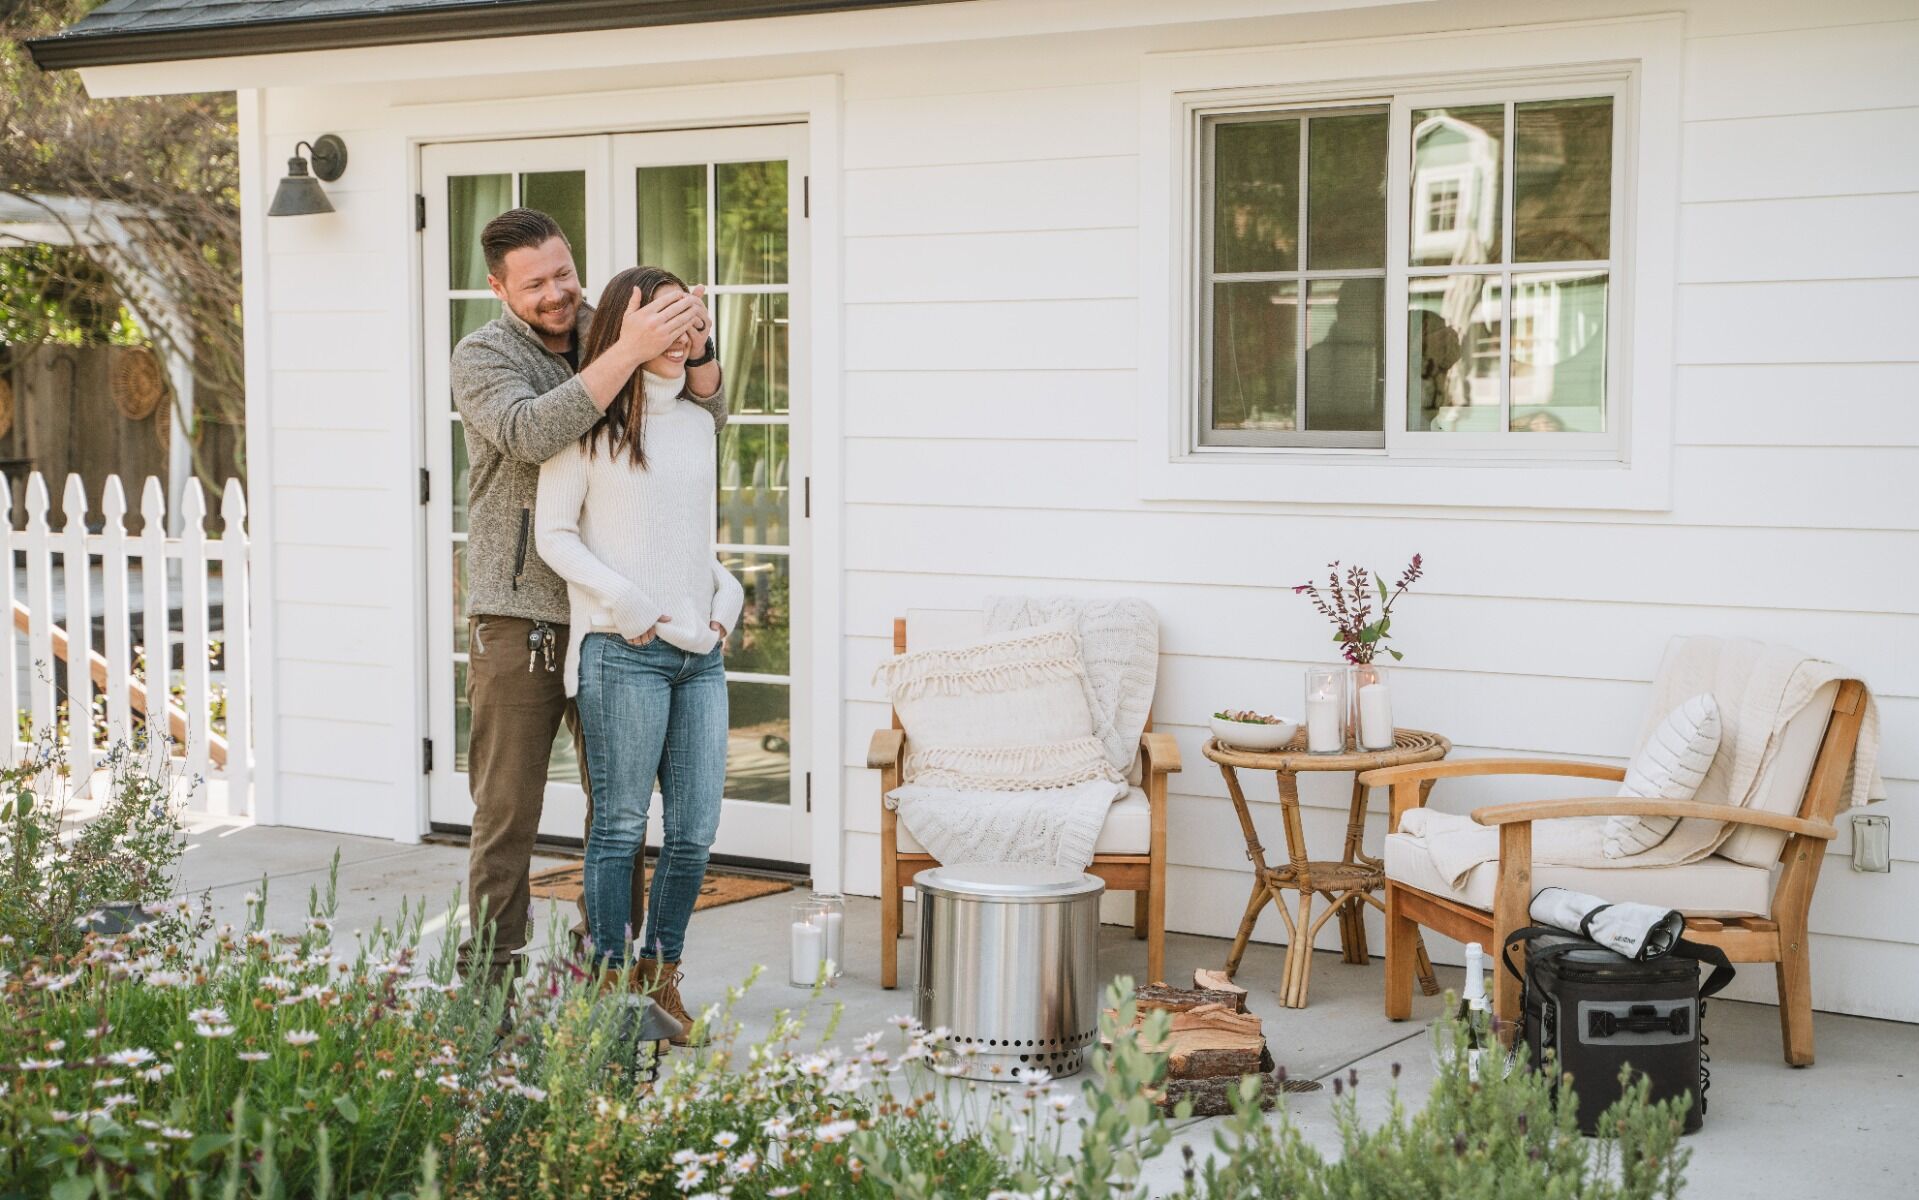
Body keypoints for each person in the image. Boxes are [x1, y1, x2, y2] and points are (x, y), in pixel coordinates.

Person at [450, 209, 724, 988]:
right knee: (508, 815)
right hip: (525, 617)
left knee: (619, 817)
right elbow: (532, 433)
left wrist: (694, 346)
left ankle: (607, 970)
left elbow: (696, 420)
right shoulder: (482, 355)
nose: (557, 293)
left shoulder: (611, 328)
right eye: (534, 283)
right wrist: (629, 350)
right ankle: (490, 985)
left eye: (563, 273)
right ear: (499, 287)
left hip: (617, 625)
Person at [535, 265, 742, 1042]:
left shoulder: (695, 423)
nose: (686, 331)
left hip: (698, 656)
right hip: (621, 653)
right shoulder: (584, 426)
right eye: (669, 316)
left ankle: (661, 977)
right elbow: (554, 536)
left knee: (693, 832)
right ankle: (611, 991)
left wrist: (726, 599)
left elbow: (687, 540)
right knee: (620, 829)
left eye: (694, 317)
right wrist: (623, 604)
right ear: (626, 325)